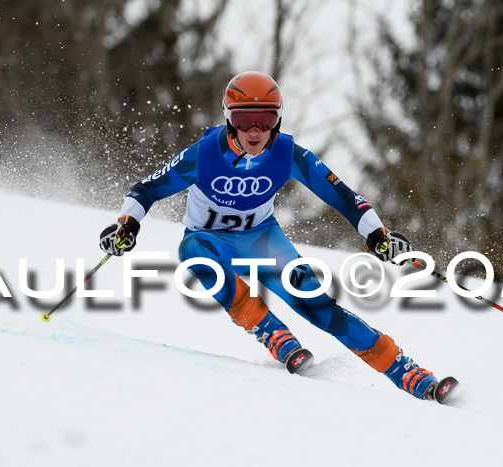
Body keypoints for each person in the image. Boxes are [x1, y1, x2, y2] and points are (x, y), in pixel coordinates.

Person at [100, 71, 440, 400]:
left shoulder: (288, 154)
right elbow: (148, 189)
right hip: (210, 238)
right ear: (228, 118)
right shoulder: (204, 155)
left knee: (316, 305)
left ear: (277, 120)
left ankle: (406, 372)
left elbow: (346, 198)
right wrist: (126, 224)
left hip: (261, 239)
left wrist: (377, 234)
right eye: (243, 119)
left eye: (265, 119)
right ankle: (274, 334)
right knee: (193, 251)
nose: (254, 130)